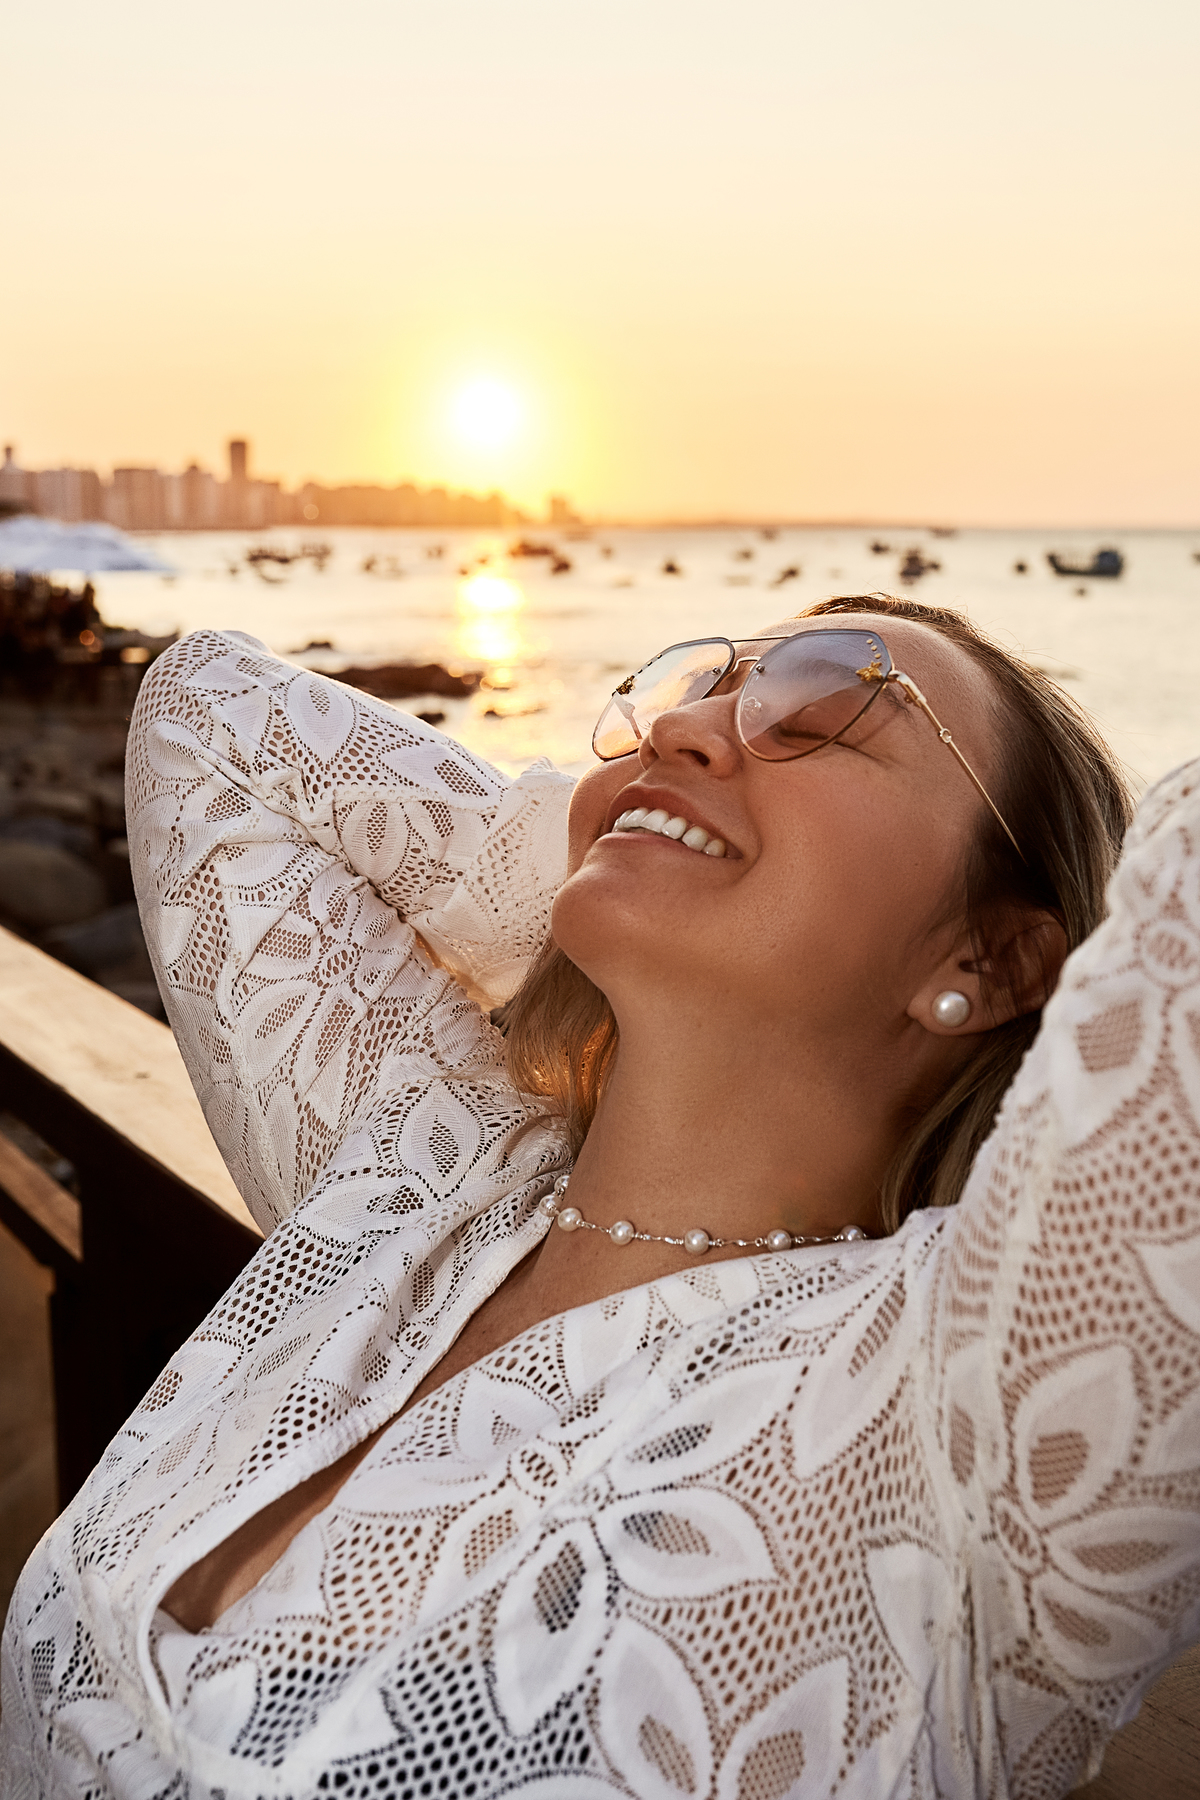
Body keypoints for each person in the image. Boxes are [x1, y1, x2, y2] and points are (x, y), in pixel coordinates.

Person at [3, 593, 1198, 1800]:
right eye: (699, 691)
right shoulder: (421, 1167)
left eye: (830, 705)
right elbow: (210, 711)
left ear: (989, 961)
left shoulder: (957, 1414)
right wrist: (624, 826)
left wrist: (674, 830)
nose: (687, 726)